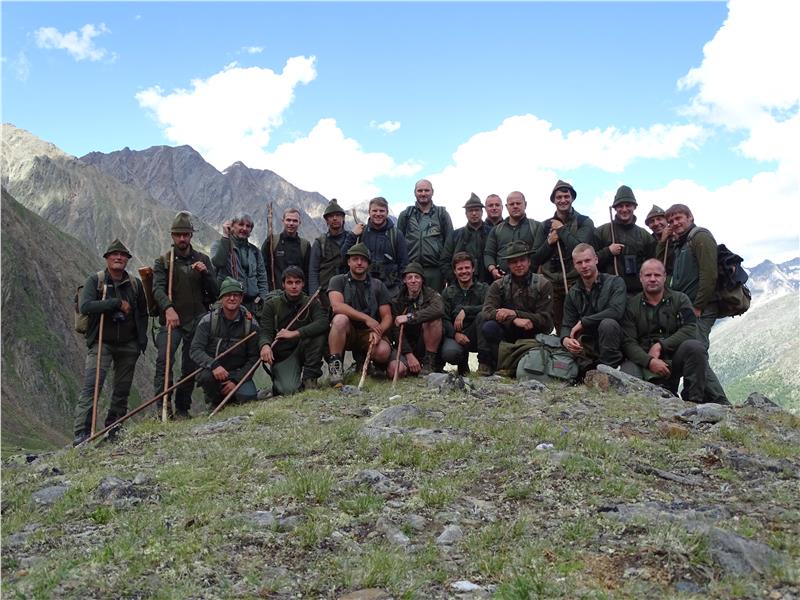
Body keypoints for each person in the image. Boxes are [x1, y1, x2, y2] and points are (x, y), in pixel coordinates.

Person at [621, 259, 729, 404]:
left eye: (657, 275)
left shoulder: (681, 299)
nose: (652, 279)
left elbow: (691, 329)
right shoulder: (631, 305)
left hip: (675, 360)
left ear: (664, 277)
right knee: (627, 375)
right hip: (643, 361)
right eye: (648, 275)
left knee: (695, 347)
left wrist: (661, 345)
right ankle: (639, 405)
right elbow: (628, 342)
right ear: (641, 277)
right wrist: (649, 361)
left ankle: (693, 401)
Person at [73, 239, 148, 445]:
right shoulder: (95, 281)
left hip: (129, 344)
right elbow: (86, 306)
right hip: (101, 342)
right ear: (107, 258)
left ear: (127, 260)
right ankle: (82, 433)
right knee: (92, 387)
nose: (118, 258)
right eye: (114, 255)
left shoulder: (134, 284)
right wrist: (115, 303)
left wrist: (141, 341)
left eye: (123, 255)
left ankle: (114, 428)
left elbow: (143, 313)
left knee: (122, 389)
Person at [657, 203, 728, 401]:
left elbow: (709, 274)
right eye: (671, 221)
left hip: (700, 308)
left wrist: (698, 305)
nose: (675, 223)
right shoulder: (680, 244)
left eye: (679, 218)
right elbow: (660, 266)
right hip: (686, 309)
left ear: (690, 217)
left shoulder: (700, 237)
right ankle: (699, 397)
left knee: (697, 351)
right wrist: (663, 242)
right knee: (692, 351)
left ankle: (720, 401)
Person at [153, 211, 218, 419]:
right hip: (172, 321)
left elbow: (215, 292)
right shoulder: (163, 262)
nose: (182, 238)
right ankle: (163, 408)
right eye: (178, 234)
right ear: (172, 236)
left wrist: (205, 274)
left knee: (190, 366)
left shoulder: (202, 259)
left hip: (197, 320)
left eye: (186, 234)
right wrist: (168, 308)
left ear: (191, 235)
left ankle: (182, 408)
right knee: (164, 361)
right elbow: (157, 289)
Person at [481, 241, 554, 375]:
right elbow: (487, 311)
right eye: (514, 262)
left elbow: (545, 320)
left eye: (522, 260)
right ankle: (498, 364)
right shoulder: (498, 285)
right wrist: (513, 319)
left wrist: (516, 313)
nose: (519, 265)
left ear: (529, 262)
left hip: (533, 332)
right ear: (508, 264)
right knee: (489, 327)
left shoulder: (543, 284)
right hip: (509, 331)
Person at [327, 243, 394, 385]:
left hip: (368, 332)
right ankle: (335, 368)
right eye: (355, 259)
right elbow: (337, 306)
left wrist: (379, 331)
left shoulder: (378, 285)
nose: (359, 263)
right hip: (347, 330)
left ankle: (367, 365)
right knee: (340, 319)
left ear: (368, 263)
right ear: (348, 262)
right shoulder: (337, 280)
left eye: (363, 260)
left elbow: (387, 316)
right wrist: (366, 318)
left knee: (383, 351)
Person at [532, 179, 595, 331]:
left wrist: (561, 230)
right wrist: (549, 242)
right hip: (551, 284)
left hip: (576, 282)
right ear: (554, 200)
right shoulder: (545, 226)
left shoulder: (584, 222)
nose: (563, 200)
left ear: (572, 198)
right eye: (559, 197)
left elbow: (580, 249)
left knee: (580, 324)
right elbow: (535, 258)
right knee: (560, 326)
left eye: (566, 196)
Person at [190, 278, 261, 411]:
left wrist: (236, 380)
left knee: (248, 397)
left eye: (236, 295)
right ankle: (215, 401)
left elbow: (254, 358)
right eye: (228, 295)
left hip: (238, 372)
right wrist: (214, 365)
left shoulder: (251, 325)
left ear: (241, 298)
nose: (232, 298)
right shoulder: (208, 321)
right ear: (221, 298)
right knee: (205, 377)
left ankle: (233, 396)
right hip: (214, 372)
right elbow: (195, 350)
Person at [259, 266, 328, 395]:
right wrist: (265, 345)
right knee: (288, 390)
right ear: (283, 284)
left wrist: (295, 333)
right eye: (289, 282)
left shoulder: (311, 302)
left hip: (305, 348)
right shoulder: (271, 305)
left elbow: (323, 322)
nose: (294, 286)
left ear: (303, 284)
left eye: (297, 282)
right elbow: (265, 331)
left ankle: (310, 379)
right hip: (284, 355)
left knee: (318, 335)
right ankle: (282, 383)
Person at [560, 244, 626, 375]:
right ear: (574, 265)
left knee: (608, 324)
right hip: (587, 345)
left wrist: (584, 322)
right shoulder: (573, 293)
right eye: (579, 262)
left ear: (596, 259)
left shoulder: (615, 282)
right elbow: (567, 324)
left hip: (614, 342)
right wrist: (565, 339)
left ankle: (608, 372)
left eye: (587, 260)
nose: (584, 266)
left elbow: (616, 311)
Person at [387, 262, 445, 379]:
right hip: (405, 345)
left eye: (417, 277)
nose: (413, 281)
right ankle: (408, 366)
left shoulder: (431, 295)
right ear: (404, 280)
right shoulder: (397, 300)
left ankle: (429, 363)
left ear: (422, 280)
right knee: (395, 371)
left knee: (434, 320)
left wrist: (410, 317)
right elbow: (396, 330)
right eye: (410, 277)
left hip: (425, 342)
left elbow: (439, 309)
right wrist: (409, 355)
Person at [594, 186, 656, 295]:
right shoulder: (601, 232)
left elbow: (653, 266)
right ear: (615, 208)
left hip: (638, 294)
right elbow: (589, 262)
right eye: (620, 206)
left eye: (628, 205)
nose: (624, 209)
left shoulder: (645, 236)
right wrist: (608, 251)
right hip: (608, 293)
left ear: (634, 207)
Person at [342, 196, 409, 294]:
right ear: (369, 212)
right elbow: (344, 257)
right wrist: (352, 235)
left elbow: (404, 264)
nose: (378, 214)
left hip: (390, 291)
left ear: (387, 212)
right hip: (363, 289)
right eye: (374, 211)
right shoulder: (360, 233)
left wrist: (400, 288)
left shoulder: (396, 235)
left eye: (382, 211)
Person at [397, 179, 453, 291]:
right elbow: (398, 243)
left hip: (436, 271)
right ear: (415, 192)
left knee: (436, 300)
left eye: (427, 190)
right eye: (420, 190)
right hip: (411, 270)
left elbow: (450, 243)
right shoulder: (405, 215)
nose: (423, 193)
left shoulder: (442, 214)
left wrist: (447, 271)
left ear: (432, 192)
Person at [440, 252, 491, 376]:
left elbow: (490, 308)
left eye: (467, 268)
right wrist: (455, 334)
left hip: (477, 333)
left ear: (473, 269)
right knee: (450, 353)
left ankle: (484, 363)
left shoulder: (484, 289)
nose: (464, 271)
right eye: (460, 269)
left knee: (483, 316)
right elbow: (444, 319)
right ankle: (462, 365)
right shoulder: (447, 292)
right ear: (454, 271)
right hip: (456, 334)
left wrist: (466, 310)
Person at [210, 212, 268, 315]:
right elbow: (218, 262)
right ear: (232, 226)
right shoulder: (219, 245)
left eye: (248, 226)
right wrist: (225, 237)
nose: (244, 228)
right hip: (229, 303)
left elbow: (262, 278)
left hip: (253, 304)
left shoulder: (255, 251)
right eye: (241, 224)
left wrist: (262, 299)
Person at [484, 191, 542, 282]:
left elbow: (541, 254)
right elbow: (488, 254)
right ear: (506, 207)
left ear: (525, 204)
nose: (515, 206)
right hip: (503, 282)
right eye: (511, 204)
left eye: (518, 203)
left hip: (531, 282)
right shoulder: (496, 230)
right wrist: (493, 269)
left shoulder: (536, 227)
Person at [439, 193, 493, 285]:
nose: (474, 213)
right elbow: (444, 261)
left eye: (477, 210)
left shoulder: (492, 233)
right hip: (461, 286)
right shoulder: (454, 235)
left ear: (482, 212)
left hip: (489, 285)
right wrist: (455, 281)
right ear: (466, 213)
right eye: (470, 210)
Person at [309, 199, 349, 309]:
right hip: (325, 293)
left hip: (348, 290)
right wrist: (314, 295)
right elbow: (313, 270)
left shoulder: (352, 239)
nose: (335, 218)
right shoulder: (319, 242)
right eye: (331, 216)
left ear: (343, 218)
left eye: (338, 215)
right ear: (326, 220)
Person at [262, 207, 310, 290]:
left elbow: (308, 272)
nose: (291, 223)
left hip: (297, 293)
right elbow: (262, 268)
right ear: (283, 221)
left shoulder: (305, 245)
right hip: (275, 293)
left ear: (299, 223)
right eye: (288, 220)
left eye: (295, 221)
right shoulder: (272, 241)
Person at [645, 204, 674, 274]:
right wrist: (662, 242)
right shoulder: (648, 244)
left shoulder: (677, 239)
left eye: (659, 219)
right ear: (649, 226)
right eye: (652, 221)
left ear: (667, 221)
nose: (656, 223)